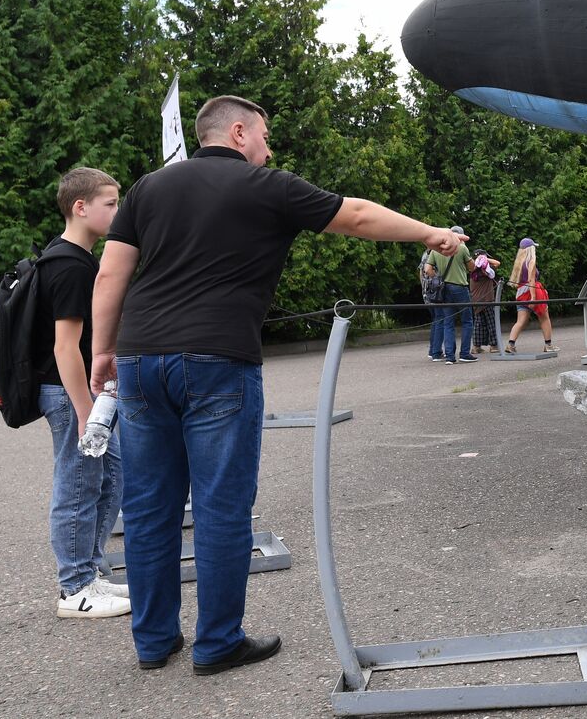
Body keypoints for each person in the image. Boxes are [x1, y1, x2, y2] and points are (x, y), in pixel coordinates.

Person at [90, 95, 465, 675]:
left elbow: (112, 271)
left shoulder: (148, 189)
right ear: (238, 133)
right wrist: (429, 234)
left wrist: (104, 351)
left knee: (148, 508)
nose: (270, 148)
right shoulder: (267, 187)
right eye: (264, 135)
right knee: (219, 505)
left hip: (140, 360)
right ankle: (217, 645)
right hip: (217, 359)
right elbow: (359, 216)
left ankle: (154, 642)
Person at [33, 167, 132, 619]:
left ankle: (89, 572)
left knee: (111, 478)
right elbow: (64, 347)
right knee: (77, 485)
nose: (118, 210)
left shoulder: (76, 258)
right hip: (68, 394)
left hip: (77, 395)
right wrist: (85, 411)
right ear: (81, 207)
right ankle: (74, 587)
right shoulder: (70, 265)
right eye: (110, 204)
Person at [424, 226, 475, 364]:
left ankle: (450, 356)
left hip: (444, 289)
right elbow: (472, 267)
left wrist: (438, 278)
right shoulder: (462, 248)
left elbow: (427, 269)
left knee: (448, 322)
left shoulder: (436, 250)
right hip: (460, 287)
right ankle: (464, 353)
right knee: (467, 321)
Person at [504, 237, 558, 354]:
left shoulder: (519, 263)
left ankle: (510, 344)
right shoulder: (531, 262)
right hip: (532, 292)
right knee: (544, 318)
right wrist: (533, 298)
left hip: (521, 292)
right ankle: (548, 345)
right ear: (530, 249)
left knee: (521, 321)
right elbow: (531, 280)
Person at [468, 249, 501, 353]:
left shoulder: (472, 269)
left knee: (478, 323)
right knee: (491, 322)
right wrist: (485, 259)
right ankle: (494, 346)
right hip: (487, 300)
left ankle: (476, 347)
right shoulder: (485, 270)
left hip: (476, 300)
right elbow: (497, 263)